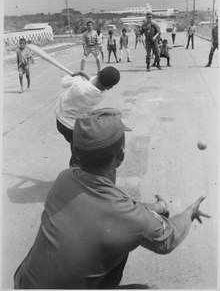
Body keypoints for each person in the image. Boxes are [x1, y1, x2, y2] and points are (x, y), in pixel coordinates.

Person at [14, 108, 210, 289]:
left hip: (24, 283)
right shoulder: (130, 217)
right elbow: (170, 239)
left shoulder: (64, 178)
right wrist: (189, 212)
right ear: (121, 155)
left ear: (76, 153)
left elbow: (120, 209)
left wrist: (156, 207)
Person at [55, 67, 120, 167]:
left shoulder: (77, 82)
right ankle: (75, 174)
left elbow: (64, 81)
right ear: (109, 87)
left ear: (98, 73)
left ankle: (74, 173)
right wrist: (82, 74)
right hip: (74, 128)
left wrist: (72, 76)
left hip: (61, 121)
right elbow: (94, 82)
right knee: (77, 153)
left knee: (76, 151)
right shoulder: (101, 94)